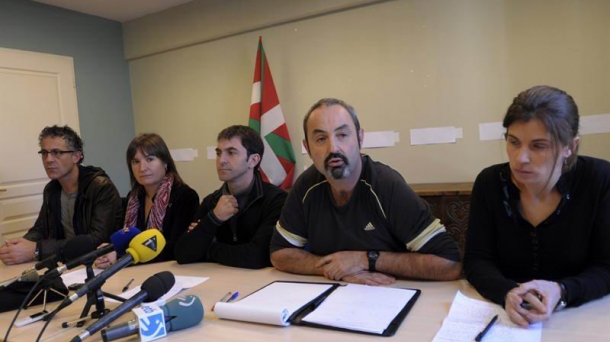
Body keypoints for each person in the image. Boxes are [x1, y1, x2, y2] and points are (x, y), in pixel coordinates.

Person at [270, 98, 462, 285]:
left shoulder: (387, 185)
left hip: (390, 291)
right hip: (334, 292)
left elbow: (450, 264)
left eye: (342, 135)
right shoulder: (306, 186)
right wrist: (335, 269)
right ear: (308, 148)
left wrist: (364, 260)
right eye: (321, 139)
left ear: (360, 138)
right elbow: (280, 253)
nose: (333, 148)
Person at [464, 85, 610, 327]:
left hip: (581, 316)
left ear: (570, 147)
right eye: (513, 142)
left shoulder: (599, 179)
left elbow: (606, 268)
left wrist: (561, 291)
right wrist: (507, 292)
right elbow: (477, 260)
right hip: (508, 317)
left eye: (538, 146)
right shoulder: (489, 182)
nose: (521, 157)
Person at [0, 125, 123, 265]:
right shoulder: (51, 189)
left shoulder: (101, 187)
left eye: (56, 152)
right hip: (65, 263)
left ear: (76, 156)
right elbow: (41, 229)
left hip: (97, 264)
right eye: (44, 153)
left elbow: (96, 240)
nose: (48, 159)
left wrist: (37, 249)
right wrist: (21, 245)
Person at [174, 125, 287, 269]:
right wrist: (214, 218)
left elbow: (257, 256)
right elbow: (182, 254)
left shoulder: (276, 200)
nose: (222, 160)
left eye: (231, 153)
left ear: (253, 160)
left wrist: (208, 248)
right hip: (220, 281)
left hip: (260, 284)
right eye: (219, 153)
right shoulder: (211, 201)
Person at [95, 133, 199, 268]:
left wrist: (123, 256)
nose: (142, 168)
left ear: (165, 162)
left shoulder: (185, 196)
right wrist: (109, 251)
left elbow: (177, 247)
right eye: (135, 162)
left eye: (150, 159)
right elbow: (123, 237)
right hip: (135, 272)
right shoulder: (133, 198)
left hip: (170, 273)